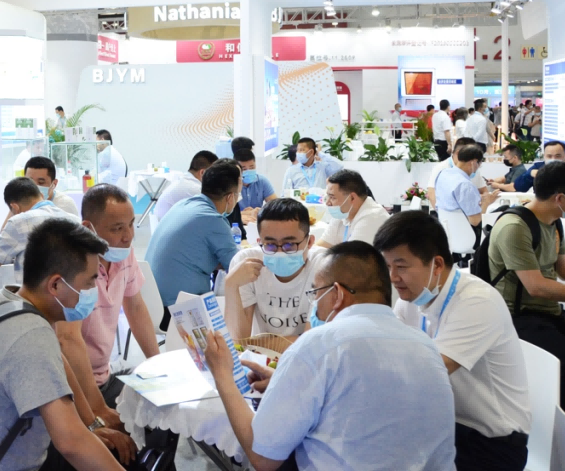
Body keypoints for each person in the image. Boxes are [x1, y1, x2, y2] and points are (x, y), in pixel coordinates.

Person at [202, 241, 455, 471]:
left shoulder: (318, 345)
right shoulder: (426, 346)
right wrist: (285, 381)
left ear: (337, 294)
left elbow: (263, 457)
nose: (314, 303)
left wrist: (223, 376)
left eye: (316, 293)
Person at [0, 219, 126, 471]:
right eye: (89, 282)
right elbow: (71, 443)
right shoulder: (30, 335)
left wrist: (92, 424)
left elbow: (59, 363)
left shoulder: (7, 300)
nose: (93, 291)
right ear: (55, 285)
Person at [374, 212, 531, 471]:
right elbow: (386, 353)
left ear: (436, 264)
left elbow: (427, 373)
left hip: (489, 443)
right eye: (387, 266)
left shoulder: (476, 301)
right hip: (443, 423)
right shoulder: (412, 298)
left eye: (401, 266)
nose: (392, 277)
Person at [488, 162, 565, 420]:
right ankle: (557, 422)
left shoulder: (553, 222)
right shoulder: (515, 227)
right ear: (560, 198)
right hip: (516, 316)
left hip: (547, 313)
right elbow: (536, 286)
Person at [57, 185, 160, 420]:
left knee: (161, 408)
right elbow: (68, 339)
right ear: (88, 228)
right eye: (117, 228)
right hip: (70, 386)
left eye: (131, 224)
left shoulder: (122, 252)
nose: (128, 236)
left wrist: (157, 364)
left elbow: (135, 307)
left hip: (104, 375)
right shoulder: (71, 264)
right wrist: (97, 408)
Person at [145, 159, 241, 329]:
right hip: (177, 313)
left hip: (149, 305)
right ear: (230, 197)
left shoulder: (184, 205)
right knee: (240, 310)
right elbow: (237, 267)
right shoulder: (214, 220)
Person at [225, 198, 324, 343]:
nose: (280, 252)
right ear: (259, 242)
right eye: (270, 244)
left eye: (289, 244)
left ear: (309, 242)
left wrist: (256, 344)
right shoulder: (246, 264)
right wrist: (230, 285)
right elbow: (238, 339)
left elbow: (312, 342)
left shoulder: (323, 267)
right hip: (260, 354)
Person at [0, 177, 80, 281]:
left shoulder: (18, 222)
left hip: (34, 290)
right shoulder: (75, 220)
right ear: (42, 196)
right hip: (68, 289)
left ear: (15, 207)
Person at [434, 143, 498, 246]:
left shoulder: (443, 174)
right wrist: (487, 202)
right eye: (479, 164)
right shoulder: (465, 185)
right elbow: (475, 221)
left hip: (447, 233)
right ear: (473, 162)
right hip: (468, 237)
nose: (478, 168)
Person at [316, 169, 389, 247]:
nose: (327, 203)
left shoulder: (372, 217)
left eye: (332, 197)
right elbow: (322, 244)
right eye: (328, 196)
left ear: (352, 198)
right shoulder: (343, 213)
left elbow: (351, 254)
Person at [426, 138, 489, 209]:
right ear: (458, 153)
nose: (473, 163)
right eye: (471, 157)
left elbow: (484, 191)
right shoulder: (441, 168)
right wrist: (441, 212)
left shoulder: (473, 169)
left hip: (467, 212)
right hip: (442, 212)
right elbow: (431, 193)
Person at [153, 150, 217, 219]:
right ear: (202, 173)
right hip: (168, 223)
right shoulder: (194, 188)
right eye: (214, 174)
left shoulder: (184, 180)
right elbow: (216, 211)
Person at [227, 148, 277, 228]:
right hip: (235, 224)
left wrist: (260, 211)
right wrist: (241, 214)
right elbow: (223, 212)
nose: (248, 171)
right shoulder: (230, 184)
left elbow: (275, 205)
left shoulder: (262, 181)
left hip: (256, 223)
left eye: (251, 167)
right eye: (244, 169)